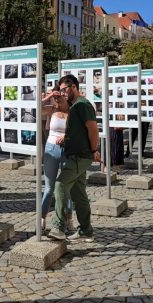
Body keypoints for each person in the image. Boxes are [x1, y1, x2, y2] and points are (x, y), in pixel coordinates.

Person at [48, 74, 100, 242]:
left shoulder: (82, 105)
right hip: (75, 154)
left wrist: (94, 150)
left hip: (80, 156)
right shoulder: (74, 105)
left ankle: (58, 227)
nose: (62, 93)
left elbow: (92, 129)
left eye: (65, 90)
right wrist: (67, 137)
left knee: (59, 185)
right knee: (79, 195)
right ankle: (86, 231)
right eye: (61, 90)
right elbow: (78, 128)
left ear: (74, 87)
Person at [40, 86, 73, 232]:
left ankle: (69, 219)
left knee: (67, 187)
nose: (57, 99)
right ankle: (42, 219)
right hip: (51, 149)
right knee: (49, 189)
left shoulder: (72, 112)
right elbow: (35, 107)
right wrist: (48, 96)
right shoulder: (52, 109)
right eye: (56, 97)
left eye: (60, 96)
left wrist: (66, 137)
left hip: (68, 150)